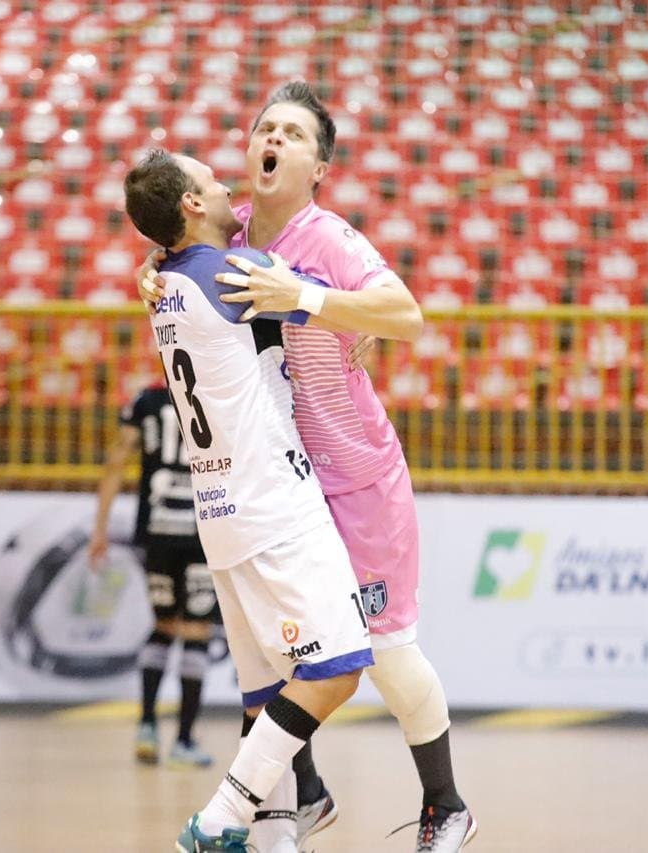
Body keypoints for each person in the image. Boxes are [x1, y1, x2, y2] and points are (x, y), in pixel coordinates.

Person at [139, 81, 476, 851]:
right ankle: (304, 797)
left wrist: (314, 300)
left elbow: (407, 315)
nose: (274, 138)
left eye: (293, 132)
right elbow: (177, 245)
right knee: (289, 650)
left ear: (318, 165)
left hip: (356, 475)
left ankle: (446, 803)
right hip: (290, 483)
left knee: (384, 657)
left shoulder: (330, 238)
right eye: (266, 127)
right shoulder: (236, 229)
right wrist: (152, 269)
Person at [124, 148, 373, 853]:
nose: (227, 183)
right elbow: (331, 291)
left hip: (222, 511)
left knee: (267, 692)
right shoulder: (231, 274)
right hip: (272, 500)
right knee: (338, 666)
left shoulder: (170, 277)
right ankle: (220, 816)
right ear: (191, 206)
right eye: (210, 180)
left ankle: (274, 834)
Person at [89, 382, 217, 768]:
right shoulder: (214, 392)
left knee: (162, 623)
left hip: (157, 531)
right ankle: (183, 740)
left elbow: (116, 459)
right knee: (196, 631)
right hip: (202, 530)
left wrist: (100, 528)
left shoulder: (146, 401)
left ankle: (146, 725)